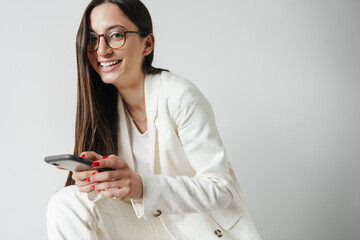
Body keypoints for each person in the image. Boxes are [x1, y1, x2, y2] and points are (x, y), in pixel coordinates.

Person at [46, 0, 261, 239]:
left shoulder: (180, 96)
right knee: (66, 203)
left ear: (147, 43)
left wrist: (141, 186)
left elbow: (222, 188)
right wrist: (98, 182)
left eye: (116, 35)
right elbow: (124, 203)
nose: (102, 49)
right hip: (150, 229)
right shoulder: (106, 110)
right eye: (93, 38)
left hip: (204, 232)